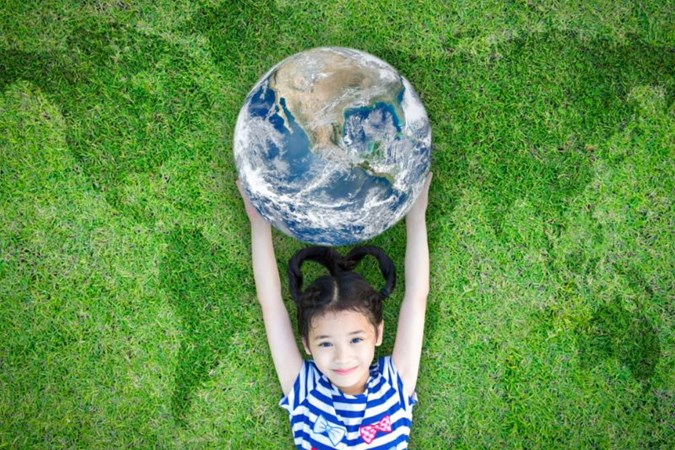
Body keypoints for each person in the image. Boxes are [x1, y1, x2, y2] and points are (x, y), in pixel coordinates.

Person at [238, 173, 431, 449]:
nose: (343, 357)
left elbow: (417, 298)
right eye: (326, 343)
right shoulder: (305, 389)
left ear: (377, 333)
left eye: (355, 339)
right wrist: (259, 224)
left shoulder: (394, 385)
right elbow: (271, 305)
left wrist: (416, 214)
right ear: (306, 344)